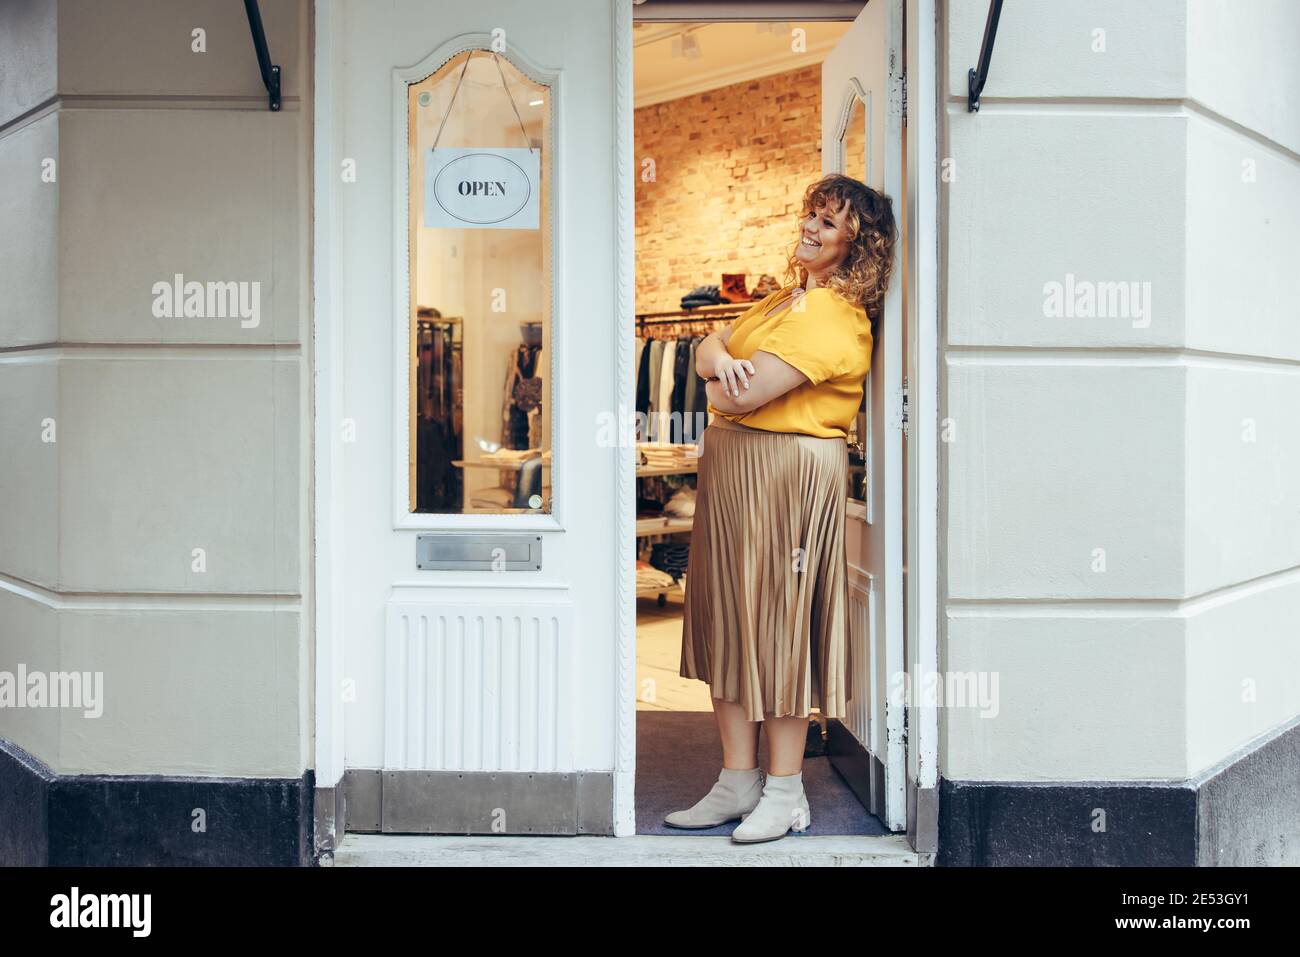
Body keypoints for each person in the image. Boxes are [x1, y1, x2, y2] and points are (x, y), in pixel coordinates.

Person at [666, 173, 897, 843]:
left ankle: (786, 790)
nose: (811, 226)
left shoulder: (834, 314)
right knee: (731, 621)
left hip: (787, 473)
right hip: (738, 473)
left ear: (858, 243)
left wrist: (716, 371)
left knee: (779, 626)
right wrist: (714, 356)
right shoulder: (783, 301)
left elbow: (740, 394)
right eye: (811, 213)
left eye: (829, 221)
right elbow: (708, 341)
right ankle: (737, 780)